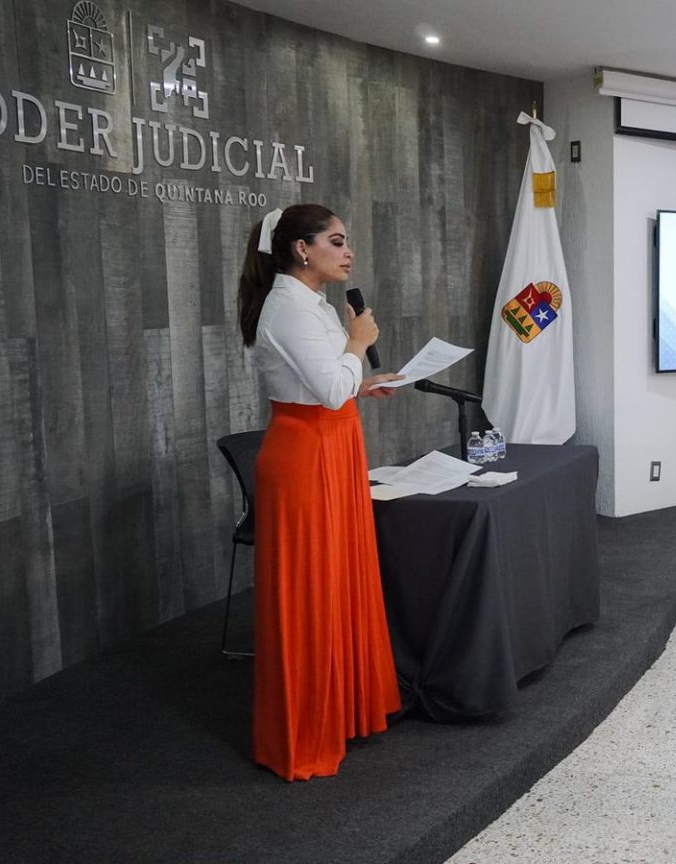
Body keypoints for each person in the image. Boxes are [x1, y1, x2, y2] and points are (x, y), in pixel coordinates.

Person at [237, 205, 404, 781]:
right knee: (311, 587)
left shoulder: (311, 305)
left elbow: (334, 384)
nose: (348, 251)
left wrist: (367, 380)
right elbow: (332, 387)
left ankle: (344, 706)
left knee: (340, 578)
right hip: (305, 458)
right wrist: (358, 344)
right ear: (302, 250)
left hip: (332, 446)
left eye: (347, 240)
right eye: (337, 240)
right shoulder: (287, 308)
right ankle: (306, 727)